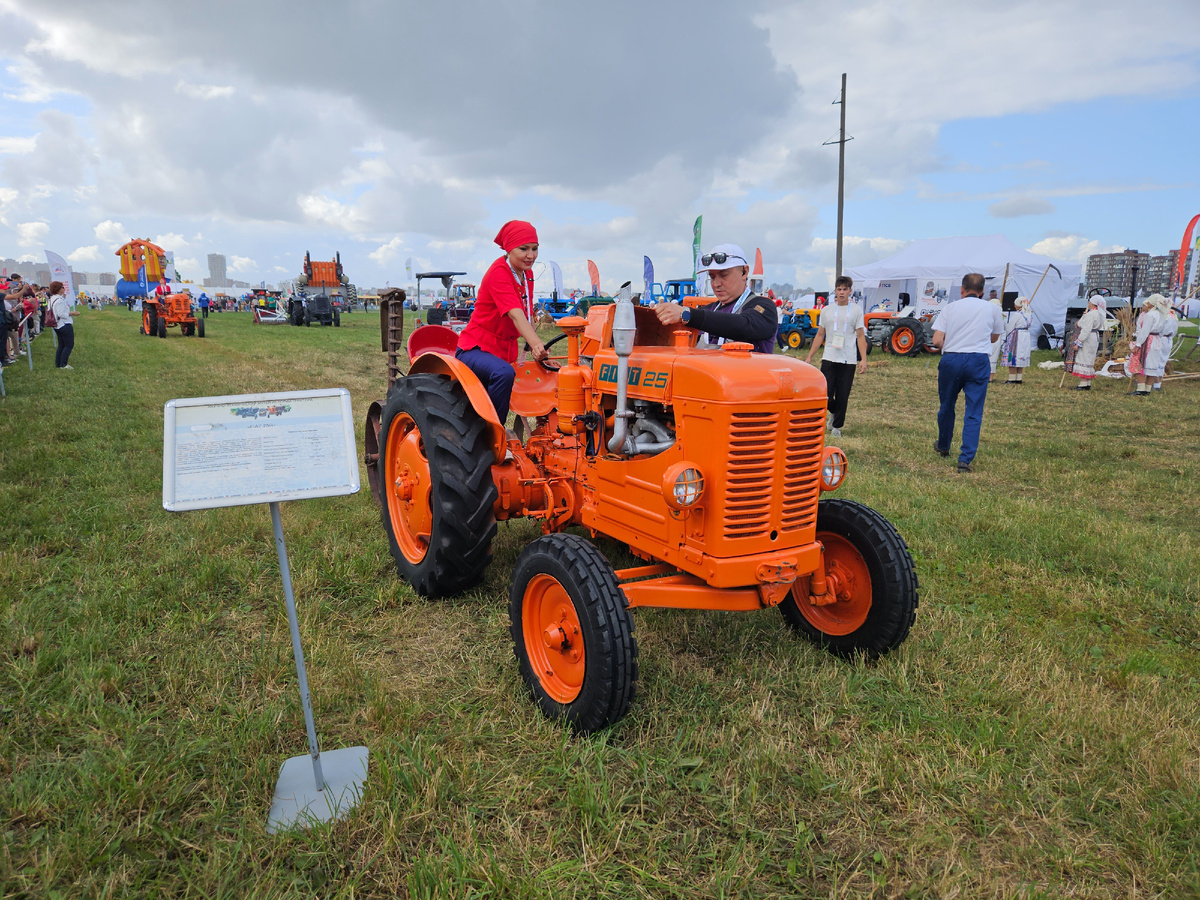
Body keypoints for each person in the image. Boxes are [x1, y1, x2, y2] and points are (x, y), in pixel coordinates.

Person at [454, 220, 547, 425]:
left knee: (556, 375)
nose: (530, 255)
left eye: (534, 249)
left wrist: (538, 354)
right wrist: (536, 344)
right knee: (503, 373)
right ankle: (493, 436)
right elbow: (515, 314)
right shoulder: (499, 272)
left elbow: (527, 314)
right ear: (509, 248)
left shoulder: (527, 274)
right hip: (475, 349)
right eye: (523, 249)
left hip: (505, 350)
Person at [931, 273, 1004, 473]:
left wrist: (954, 344)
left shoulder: (950, 308)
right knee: (974, 411)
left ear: (962, 290)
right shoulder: (992, 308)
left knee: (946, 405)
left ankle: (944, 444)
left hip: (952, 358)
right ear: (982, 292)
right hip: (978, 360)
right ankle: (965, 459)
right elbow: (994, 337)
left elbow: (937, 341)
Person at [654, 243, 777, 353]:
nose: (716, 284)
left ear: (744, 272)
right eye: (712, 277)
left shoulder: (764, 307)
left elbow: (743, 325)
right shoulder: (708, 310)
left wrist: (687, 314)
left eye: (724, 275)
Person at [804, 275, 867, 437]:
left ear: (850, 291)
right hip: (829, 357)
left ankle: (837, 426)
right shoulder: (827, 311)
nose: (842, 292)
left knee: (843, 394)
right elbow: (820, 334)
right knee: (824, 393)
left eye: (845, 289)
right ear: (835, 291)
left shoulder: (856, 310)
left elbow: (860, 336)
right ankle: (833, 411)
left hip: (848, 358)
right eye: (839, 289)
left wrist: (863, 360)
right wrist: (810, 356)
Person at [1132, 294, 1172, 396]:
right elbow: (1163, 330)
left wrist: (1138, 344)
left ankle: (1141, 388)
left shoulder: (1150, 315)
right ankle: (1148, 389)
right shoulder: (1162, 315)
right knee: (1152, 365)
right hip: (1157, 340)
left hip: (1148, 340)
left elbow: (1145, 331)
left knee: (1139, 362)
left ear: (1152, 304)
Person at [1070, 295, 1106, 389]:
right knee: (1089, 358)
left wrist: (1079, 341)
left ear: (1093, 303)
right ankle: (1087, 383)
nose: (1088, 303)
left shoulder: (1091, 314)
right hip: (1094, 337)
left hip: (1088, 337)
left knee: (1084, 357)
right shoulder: (1098, 314)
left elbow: (1086, 329)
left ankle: (1083, 383)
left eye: (1089, 302)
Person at [1001, 296, 1033, 383]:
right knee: (1021, 355)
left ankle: (1011, 378)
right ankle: (1019, 378)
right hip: (1025, 335)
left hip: (1017, 336)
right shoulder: (1029, 314)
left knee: (1013, 355)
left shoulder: (1017, 315)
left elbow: (1010, 327)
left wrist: (1003, 322)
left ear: (1018, 305)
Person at [46, 281, 78, 369]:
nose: (64, 289)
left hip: (57, 325)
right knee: (68, 345)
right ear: (59, 289)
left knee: (61, 345)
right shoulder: (59, 301)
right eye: (62, 287)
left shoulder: (52, 299)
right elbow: (62, 314)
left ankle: (58, 363)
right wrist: (72, 313)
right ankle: (63, 364)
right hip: (64, 324)